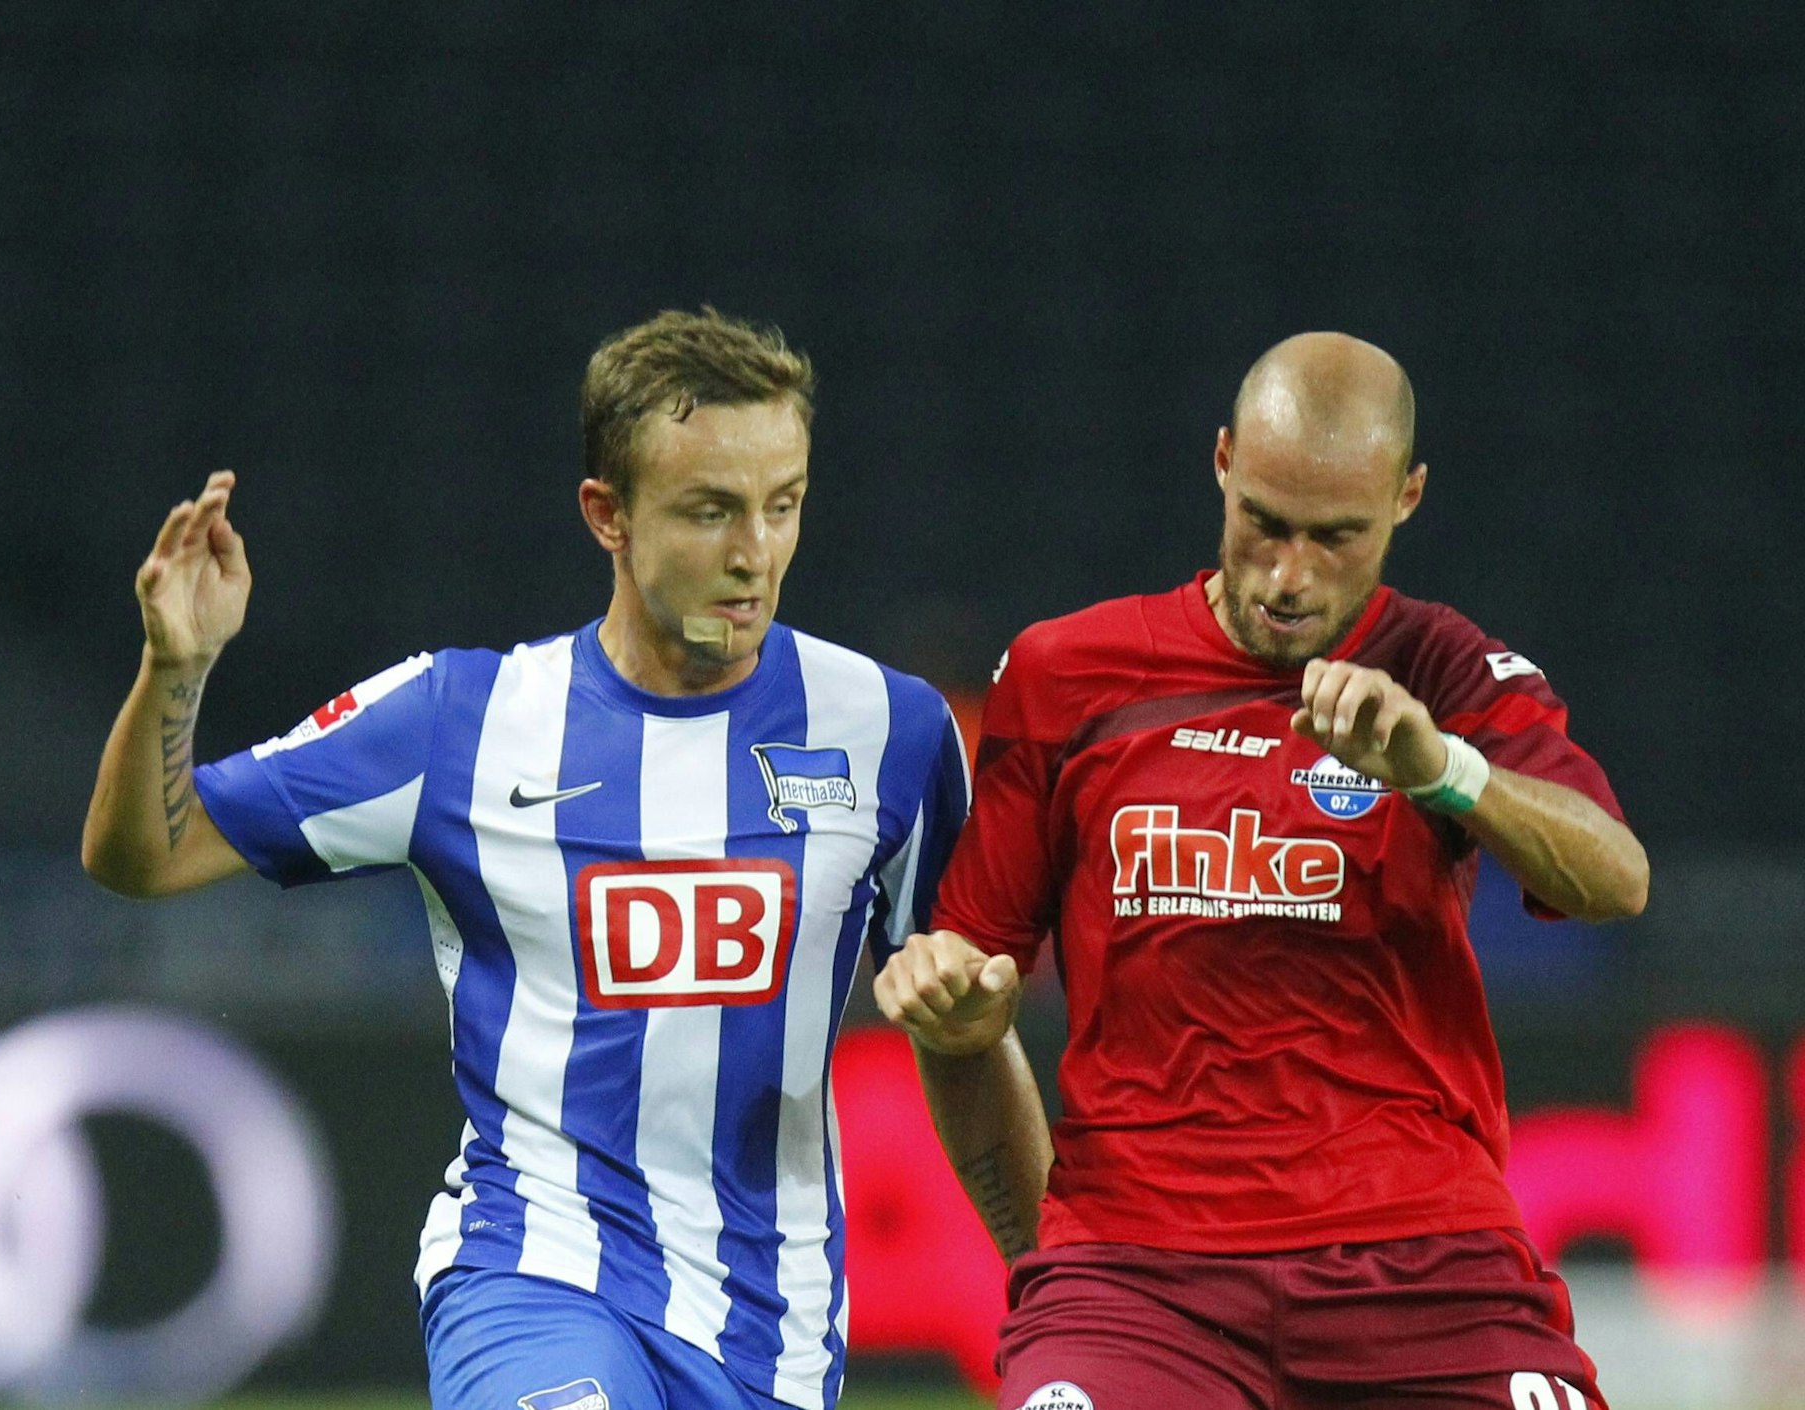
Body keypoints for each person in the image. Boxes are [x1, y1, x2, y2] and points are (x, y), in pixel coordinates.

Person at [82, 308, 970, 1410]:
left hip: (770, 1326)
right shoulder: (461, 720)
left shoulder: (892, 732)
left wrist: (1045, 1268)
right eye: (708, 511)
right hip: (532, 1272)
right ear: (607, 514)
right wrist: (178, 669)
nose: (754, 553)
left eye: (780, 505)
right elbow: (146, 855)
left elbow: (968, 1013)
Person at [874, 332, 1649, 1410]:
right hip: (1138, 1280)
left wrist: (1440, 770)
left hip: (1426, 1271)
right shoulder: (1067, 675)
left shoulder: (1440, 670)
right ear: (1224, 462)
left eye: (1335, 538)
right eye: (1264, 526)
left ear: (1406, 496)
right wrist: (1045, 1254)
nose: (1289, 577)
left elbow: (1612, 878)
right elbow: (966, 1004)